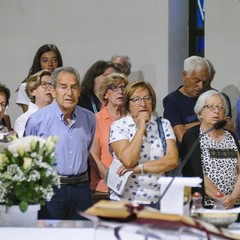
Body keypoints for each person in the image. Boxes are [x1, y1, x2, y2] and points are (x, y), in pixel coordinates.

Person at [24, 66, 96, 220]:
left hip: (81, 189)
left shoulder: (89, 118)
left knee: (84, 235)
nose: (69, 93)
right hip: (50, 190)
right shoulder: (37, 120)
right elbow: (28, 160)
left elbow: (86, 150)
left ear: (79, 90)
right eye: (63, 87)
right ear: (53, 89)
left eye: (73, 87)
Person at [108, 80, 179, 209]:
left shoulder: (163, 124)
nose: (142, 104)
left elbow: (172, 160)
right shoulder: (119, 126)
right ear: (128, 104)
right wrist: (141, 128)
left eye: (147, 98)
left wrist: (140, 168)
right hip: (124, 201)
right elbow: (129, 160)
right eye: (136, 99)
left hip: (158, 200)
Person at [181, 90, 240, 209]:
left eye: (220, 107)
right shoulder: (193, 136)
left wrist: (233, 197)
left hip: (235, 204)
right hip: (206, 206)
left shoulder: (231, 136)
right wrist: (222, 199)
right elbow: (198, 174)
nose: (216, 111)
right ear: (200, 112)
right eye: (210, 107)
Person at [90, 73, 128, 201]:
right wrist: (113, 180)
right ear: (105, 94)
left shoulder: (132, 119)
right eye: (114, 88)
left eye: (123, 88)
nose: (120, 92)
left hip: (131, 187)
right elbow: (93, 158)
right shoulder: (96, 120)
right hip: (104, 188)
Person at [163, 55, 211, 144]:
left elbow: (227, 127)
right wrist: (212, 124)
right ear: (184, 76)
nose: (201, 86)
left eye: (204, 82)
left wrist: (198, 124)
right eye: (196, 81)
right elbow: (183, 137)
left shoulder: (211, 97)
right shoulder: (171, 101)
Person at [16, 44, 63, 112]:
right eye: (45, 60)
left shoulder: (64, 86)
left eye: (54, 60)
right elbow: (29, 117)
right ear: (39, 62)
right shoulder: (26, 86)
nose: (50, 64)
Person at [14, 70, 53, 138]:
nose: (49, 87)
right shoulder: (23, 120)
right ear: (32, 91)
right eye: (44, 84)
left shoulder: (60, 117)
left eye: (52, 84)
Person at [205, 59, 235, 132]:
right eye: (210, 107)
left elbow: (228, 124)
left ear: (212, 76)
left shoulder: (222, 97)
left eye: (220, 107)